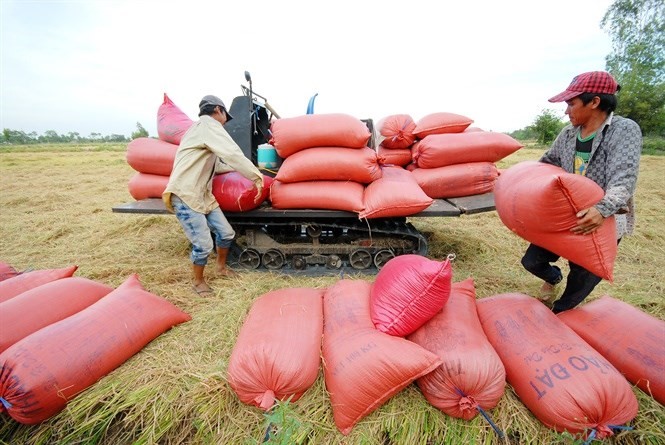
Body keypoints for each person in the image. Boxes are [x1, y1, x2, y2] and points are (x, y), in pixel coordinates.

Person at [521, 71, 642, 313]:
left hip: (602, 217)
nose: (566, 111)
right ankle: (553, 277)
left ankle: (562, 313)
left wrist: (601, 209)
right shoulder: (568, 133)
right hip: (566, 213)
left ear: (594, 102)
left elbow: (624, 177)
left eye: (571, 103)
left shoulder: (623, 130)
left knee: (582, 274)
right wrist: (520, 181)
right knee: (532, 260)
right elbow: (547, 162)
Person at [163, 95, 263, 297]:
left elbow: (217, 164)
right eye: (226, 115)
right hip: (186, 194)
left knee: (226, 233)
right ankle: (198, 282)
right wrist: (256, 175)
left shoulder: (200, 129)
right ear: (218, 110)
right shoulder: (208, 126)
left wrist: (237, 171)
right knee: (203, 245)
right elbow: (232, 153)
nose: (226, 120)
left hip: (203, 195)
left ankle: (220, 268)